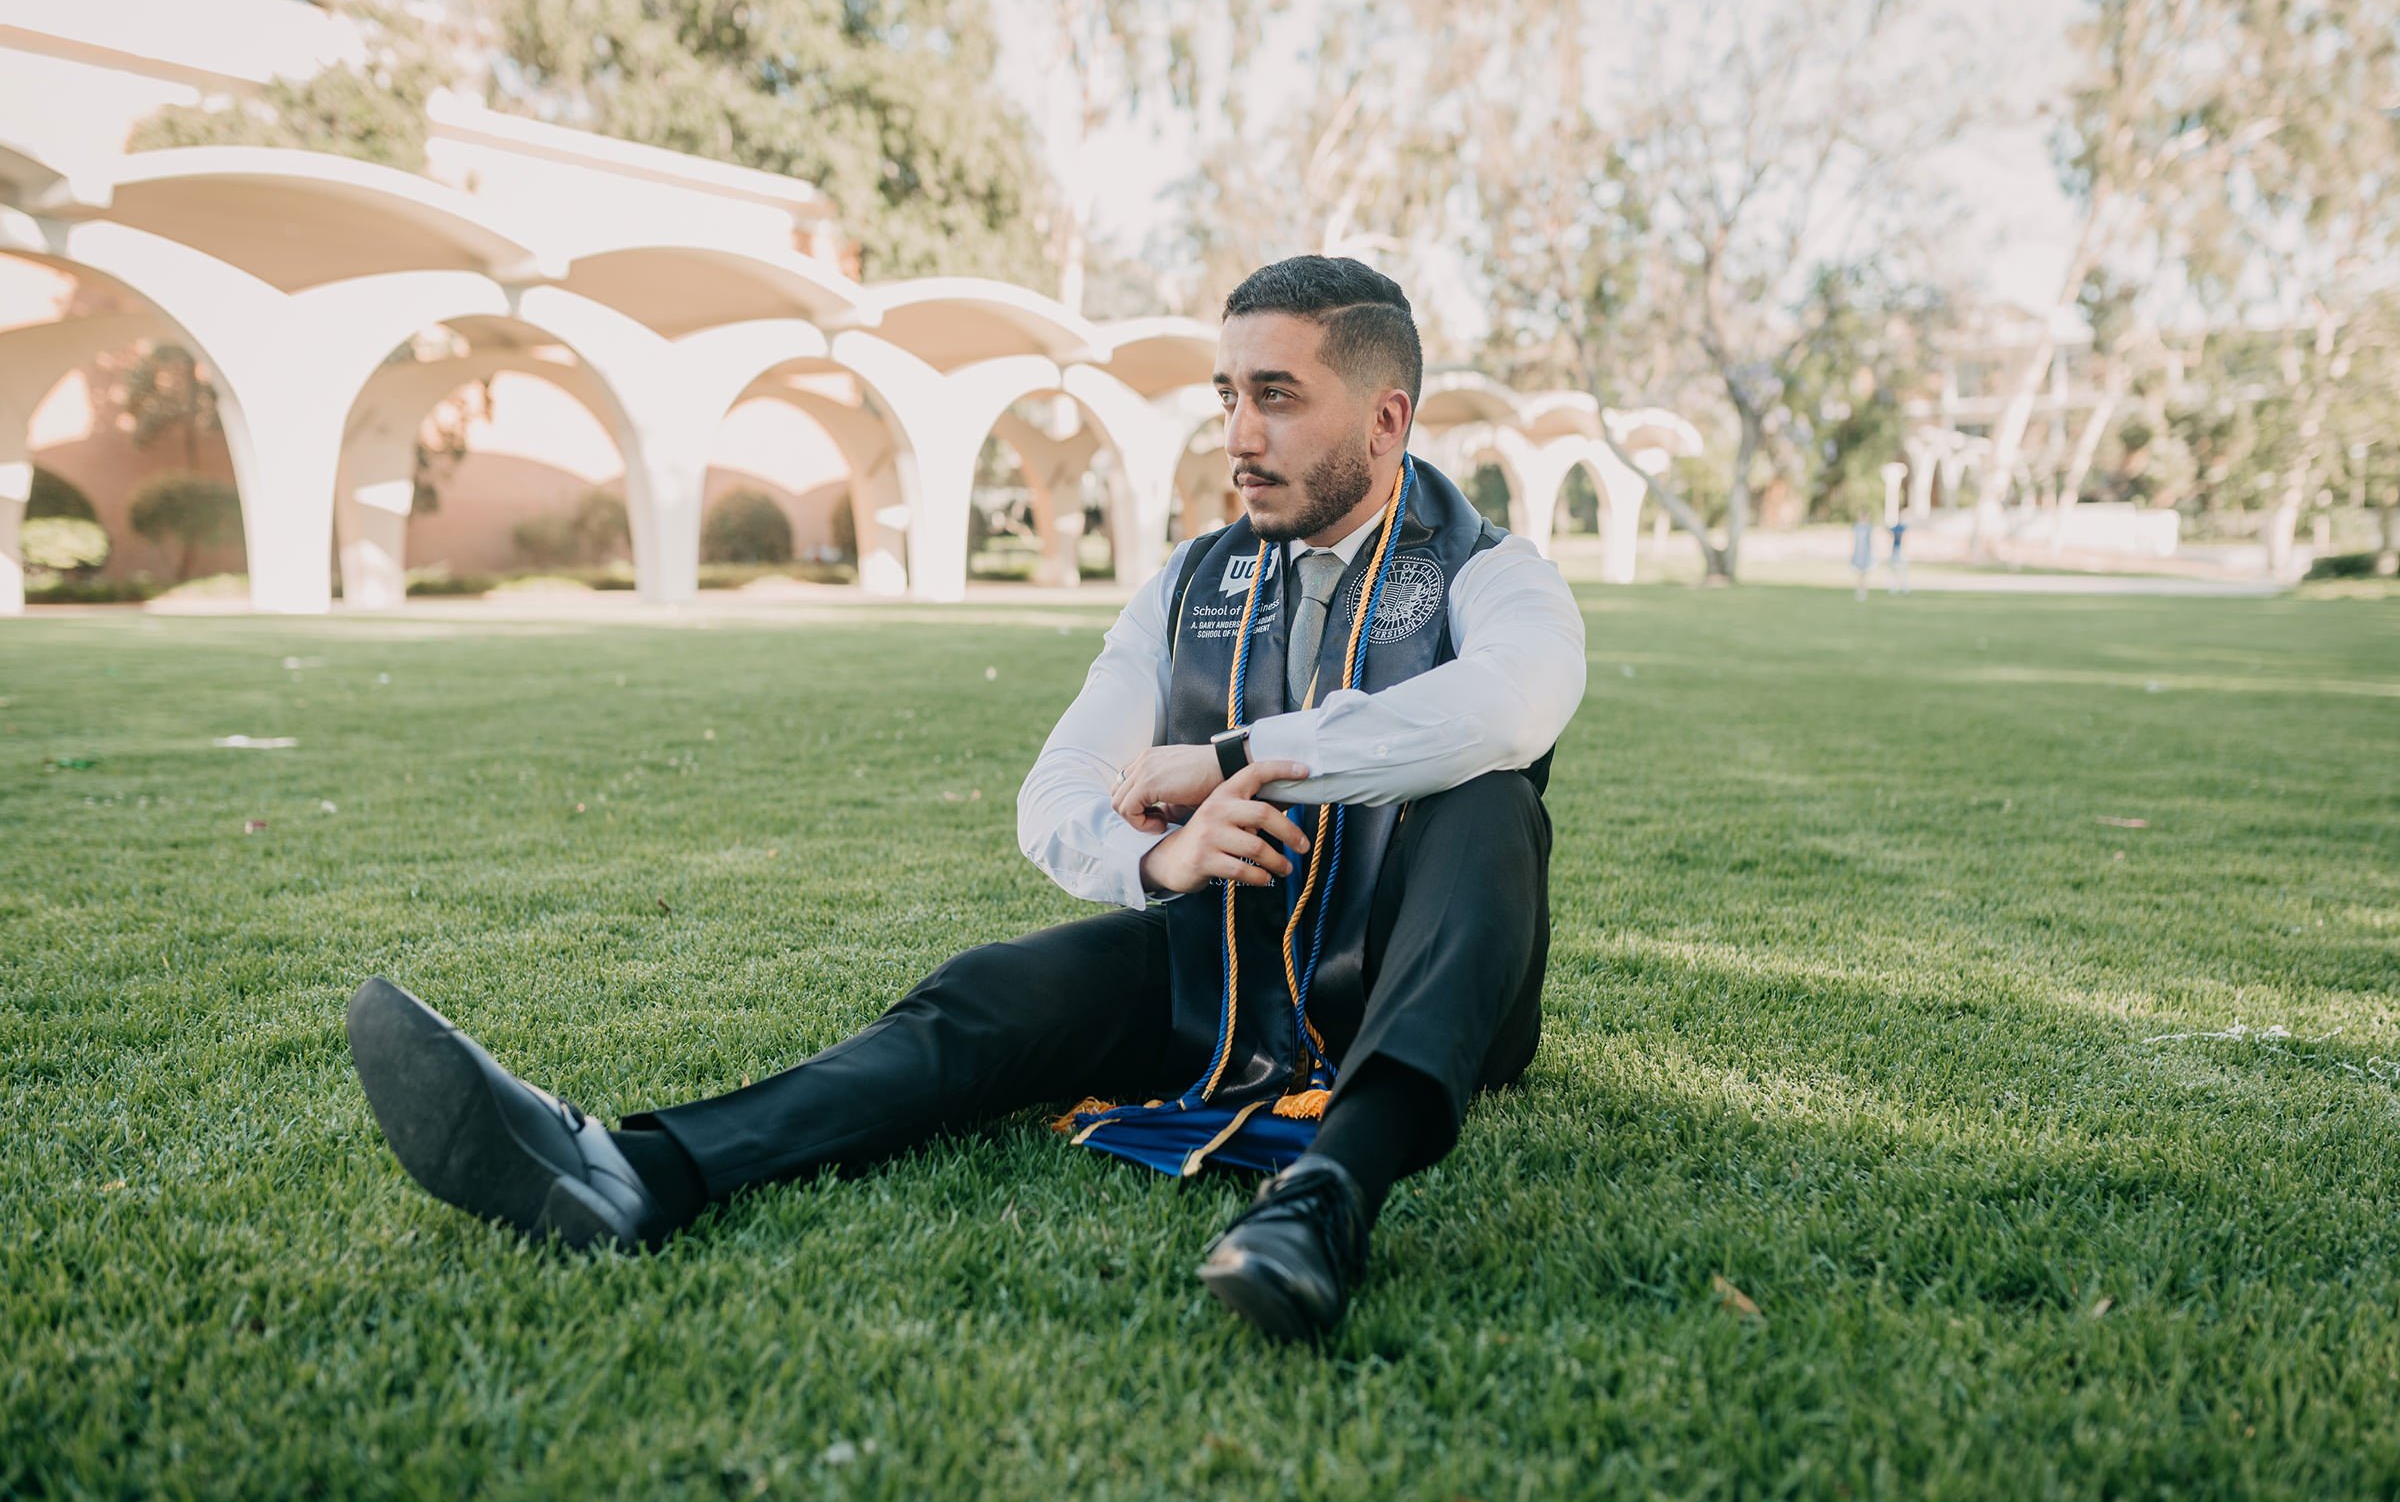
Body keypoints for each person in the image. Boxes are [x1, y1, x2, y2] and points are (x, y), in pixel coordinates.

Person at [345, 256, 1587, 1340]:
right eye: (1227, 396)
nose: (1238, 436)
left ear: (1385, 420)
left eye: (1276, 397)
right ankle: (635, 1168)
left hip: (1436, 983)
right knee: (992, 991)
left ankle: (1327, 1197)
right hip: (1230, 954)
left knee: (1490, 805)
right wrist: (1154, 864)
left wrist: (1228, 757)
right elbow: (1057, 789)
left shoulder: (1493, 571)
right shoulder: (1191, 585)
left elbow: (1509, 708)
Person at [1850, 515, 1874, 600]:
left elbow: (1870, 541)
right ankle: (1859, 591)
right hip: (1858, 554)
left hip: (1865, 554)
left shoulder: (1868, 528)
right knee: (1859, 574)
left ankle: (1864, 591)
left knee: (1864, 575)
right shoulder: (1857, 527)